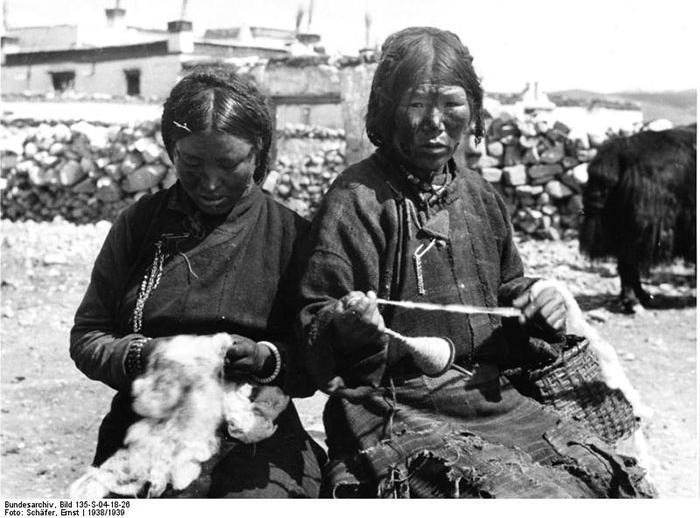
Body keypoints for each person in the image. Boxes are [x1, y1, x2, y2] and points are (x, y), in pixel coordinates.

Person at [296, 27, 656, 498]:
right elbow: (313, 320)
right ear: (386, 109)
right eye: (416, 104)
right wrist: (347, 323)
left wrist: (535, 308)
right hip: (397, 410)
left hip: (493, 399)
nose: (434, 121)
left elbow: (511, 291)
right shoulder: (356, 200)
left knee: (608, 483)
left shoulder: (481, 196)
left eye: (451, 103)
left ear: (474, 110)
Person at [70, 66, 325, 498]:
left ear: (258, 152)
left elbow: (317, 359)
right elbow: (88, 337)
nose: (209, 182)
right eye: (191, 163)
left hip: (257, 437)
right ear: (171, 150)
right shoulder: (139, 226)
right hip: (143, 432)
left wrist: (265, 359)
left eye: (229, 163)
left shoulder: (291, 236)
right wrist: (148, 356)